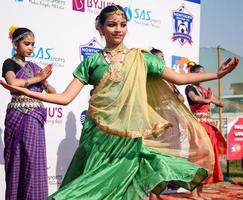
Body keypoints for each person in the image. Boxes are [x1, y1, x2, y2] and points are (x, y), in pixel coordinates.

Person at [0, 5, 239, 200]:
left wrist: (216, 76)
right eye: (112, 24)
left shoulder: (140, 58)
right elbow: (64, 98)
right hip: (97, 139)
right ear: (100, 28)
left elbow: (180, 77)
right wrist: (28, 93)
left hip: (127, 139)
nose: (118, 30)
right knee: (89, 190)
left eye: (123, 25)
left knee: (125, 190)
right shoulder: (91, 63)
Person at [1, 26, 56, 200]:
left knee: (34, 162)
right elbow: (12, 82)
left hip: (35, 119)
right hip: (17, 117)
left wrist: (45, 81)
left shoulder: (35, 67)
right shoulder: (9, 63)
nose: (31, 48)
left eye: (33, 44)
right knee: (17, 160)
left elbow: (53, 93)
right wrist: (38, 78)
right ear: (15, 44)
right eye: (27, 43)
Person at [185, 61, 227, 184]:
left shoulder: (204, 90)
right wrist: (207, 99)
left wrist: (215, 100)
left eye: (204, 74)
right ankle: (193, 190)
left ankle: (201, 189)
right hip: (198, 126)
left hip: (208, 125)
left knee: (210, 155)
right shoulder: (190, 87)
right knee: (199, 155)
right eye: (200, 74)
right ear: (193, 74)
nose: (203, 77)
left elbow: (219, 103)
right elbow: (194, 98)